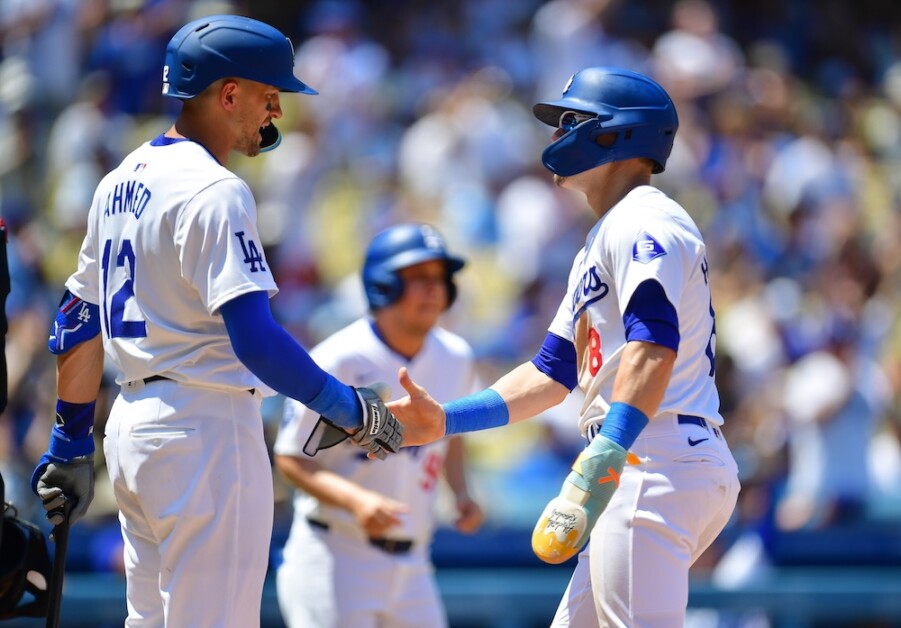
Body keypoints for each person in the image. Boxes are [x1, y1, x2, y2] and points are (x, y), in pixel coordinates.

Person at [28, 15, 401, 628]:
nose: (277, 110)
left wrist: (70, 442)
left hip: (131, 430)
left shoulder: (117, 180)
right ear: (229, 94)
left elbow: (76, 317)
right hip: (204, 428)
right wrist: (347, 408)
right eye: (268, 94)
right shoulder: (216, 189)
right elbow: (254, 338)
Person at [389, 67, 741, 626]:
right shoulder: (604, 235)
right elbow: (551, 374)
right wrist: (443, 422)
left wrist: (610, 449)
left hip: (651, 458)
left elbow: (655, 344)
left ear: (616, 134)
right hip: (647, 455)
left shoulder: (642, 220)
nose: (557, 135)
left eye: (572, 121)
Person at [273, 223, 484, 628]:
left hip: (415, 564)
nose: (434, 288)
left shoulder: (457, 356)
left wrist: (461, 492)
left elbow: (449, 434)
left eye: (440, 277)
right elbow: (290, 458)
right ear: (383, 284)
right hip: (336, 554)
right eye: (418, 277)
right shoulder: (338, 358)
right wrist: (356, 501)